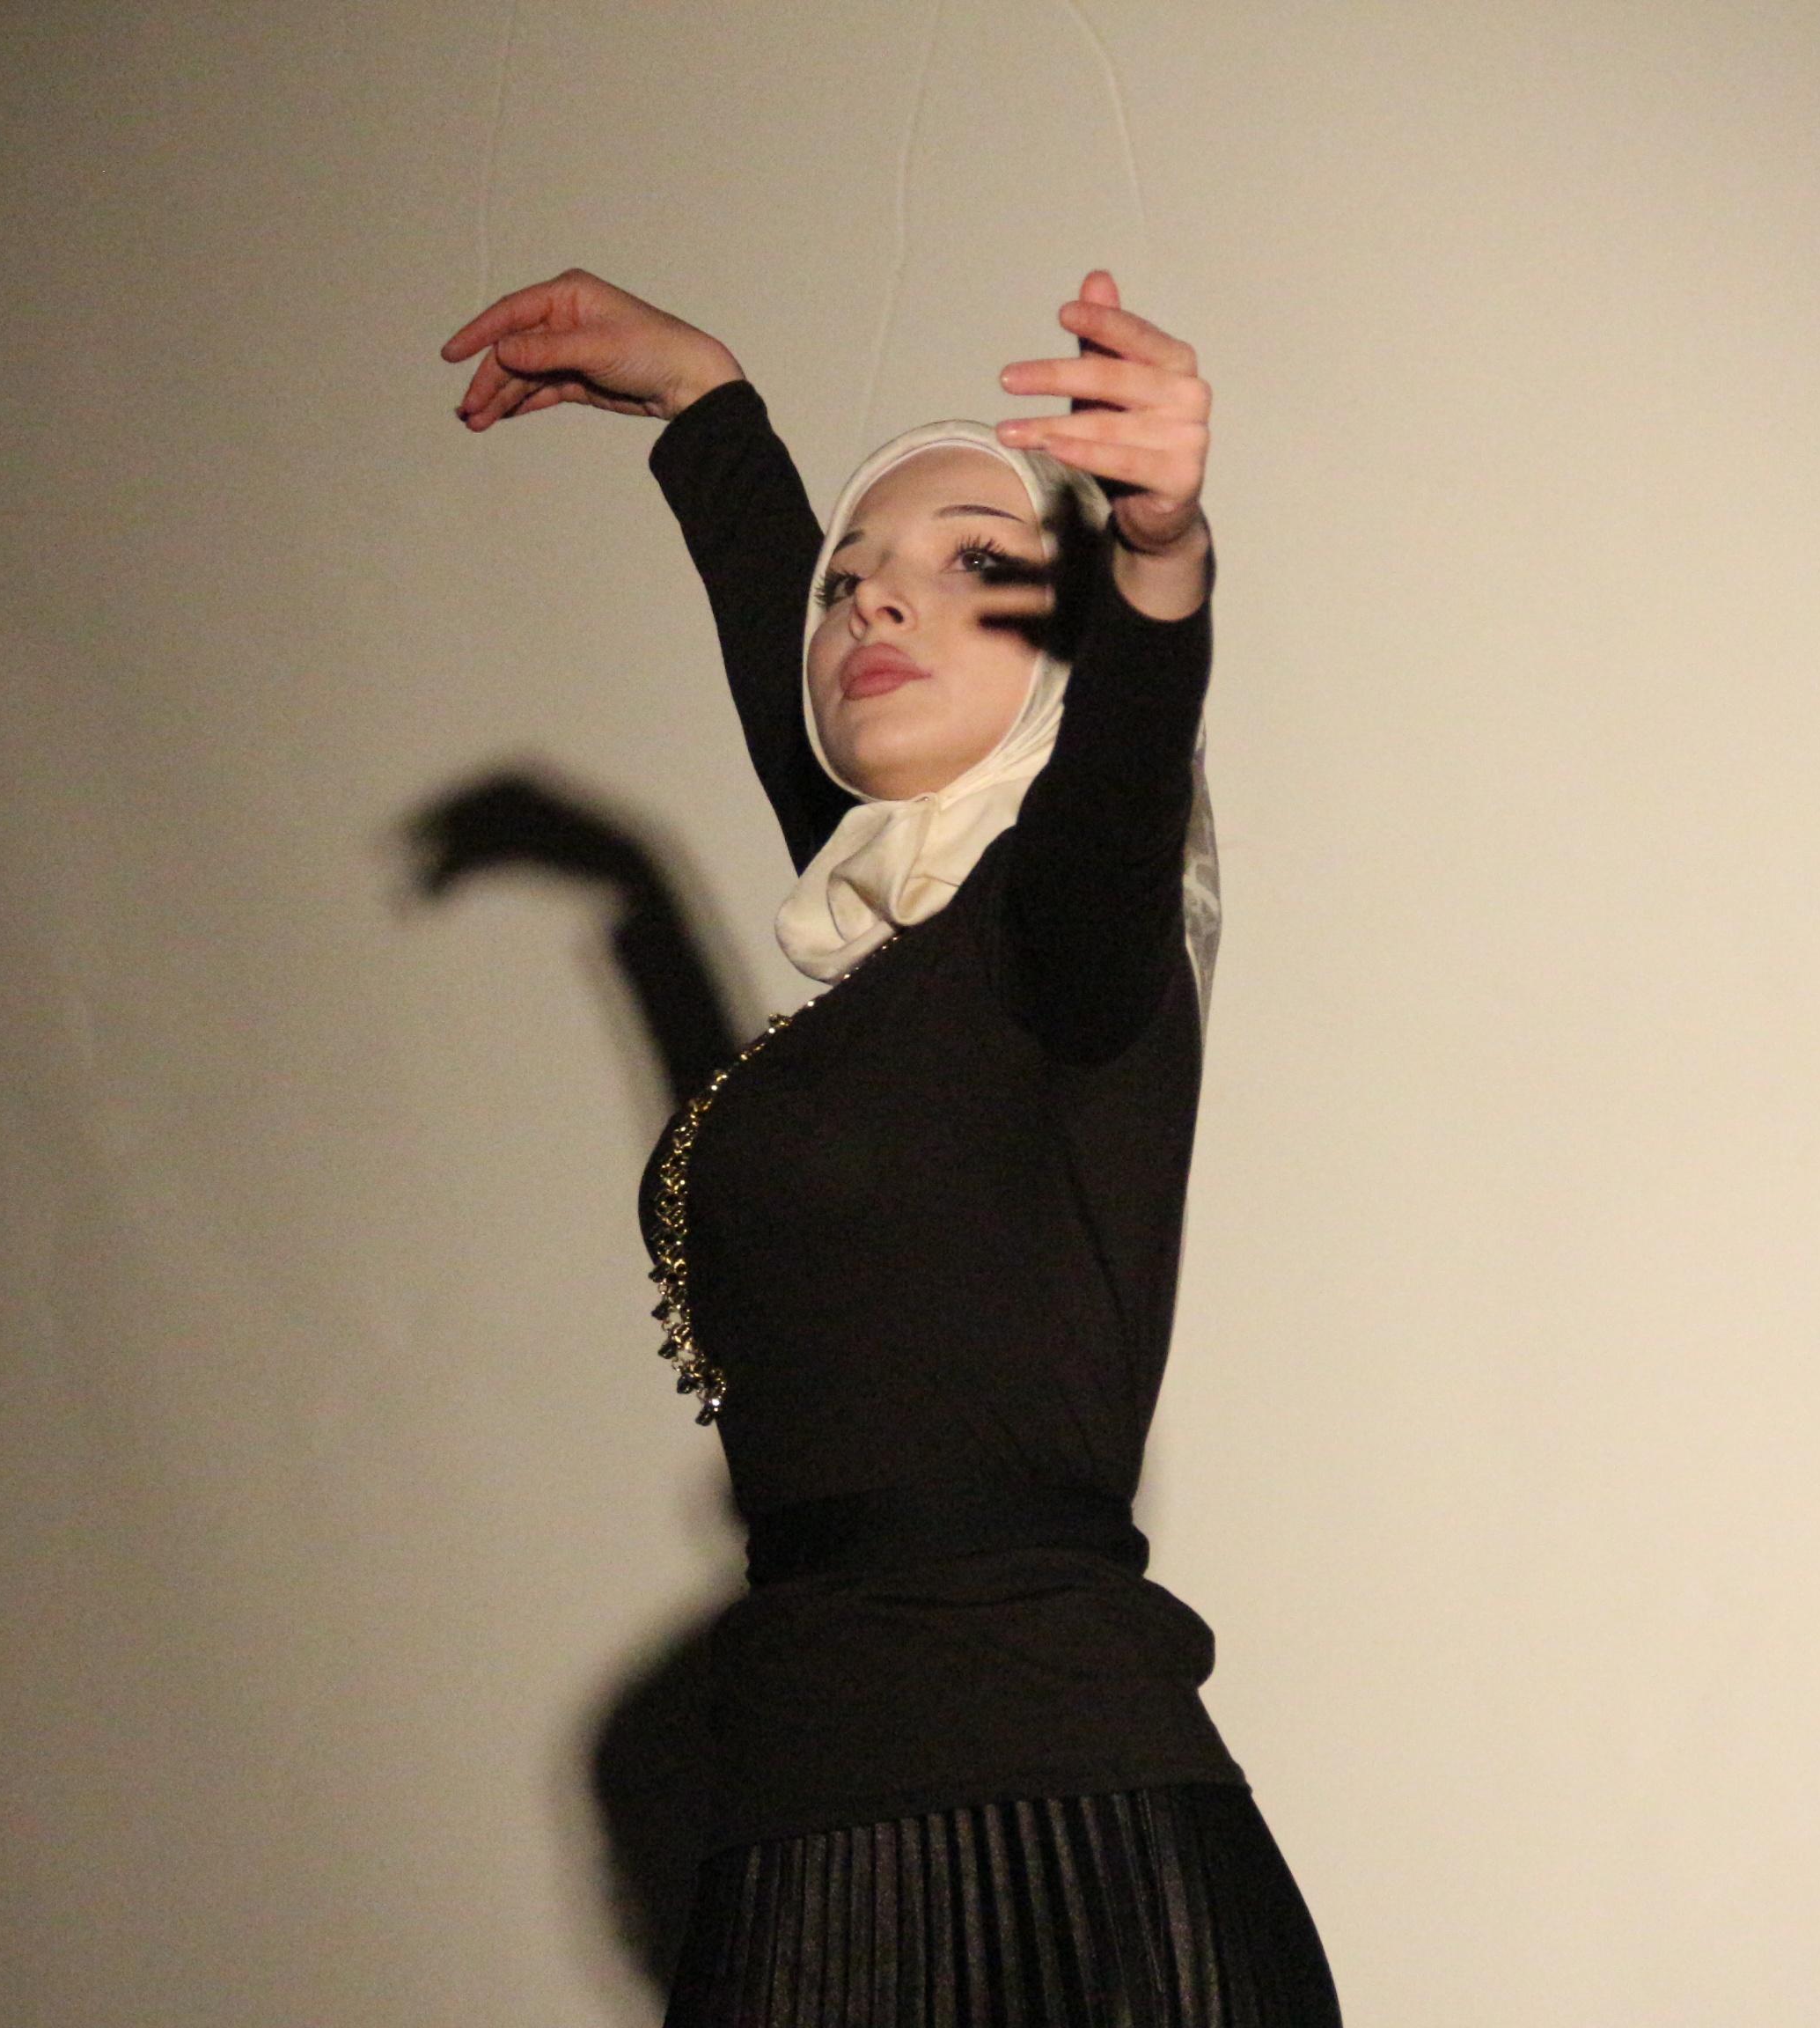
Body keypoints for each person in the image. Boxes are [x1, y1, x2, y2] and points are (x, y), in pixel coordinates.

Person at [443, 268, 1340, 2026]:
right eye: (848, 581)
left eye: (971, 564)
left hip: (1081, 1845)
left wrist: (1161, 551)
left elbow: (1123, 768)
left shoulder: (1071, 945)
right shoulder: (903, 964)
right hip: (797, 1819)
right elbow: (818, 755)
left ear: (1067, 660)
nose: (875, 599)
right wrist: (703, 398)